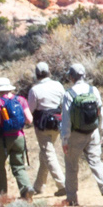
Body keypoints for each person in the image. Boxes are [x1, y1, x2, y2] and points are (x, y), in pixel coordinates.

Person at [59, 64, 103, 207]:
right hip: (93, 132)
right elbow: (100, 112)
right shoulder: (93, 90)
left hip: (75, 135)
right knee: (96, 162)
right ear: (84, 75)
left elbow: (66, 119)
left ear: (71, 77)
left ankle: (72, 198)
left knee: (71, 165)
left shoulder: (69, 94)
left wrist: (65, 139)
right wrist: (101, 132)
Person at [0, 77, 35, 201]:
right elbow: (29, 119)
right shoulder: (21, 100)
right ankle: (26, 189)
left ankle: (1, 195)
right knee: (19, 166)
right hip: (19, 137)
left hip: (3, 139)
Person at [27, 62, 68, 197]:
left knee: (48, 153)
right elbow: (64, 102)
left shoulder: (35, 90)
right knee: (45, 153)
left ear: (37, 74)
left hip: (42, 124)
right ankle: (39, 185)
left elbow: (31, 109)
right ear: (49, 72)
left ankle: (62, 184)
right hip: (57, 122)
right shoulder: (58, 85)